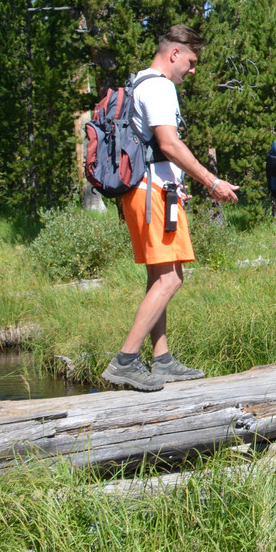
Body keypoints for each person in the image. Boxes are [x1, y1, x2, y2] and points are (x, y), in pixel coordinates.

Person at [102, 25, 239, 392]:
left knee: (160, 275)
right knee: (171, 279)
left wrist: (175, 186)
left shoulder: (140, 82)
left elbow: (154, 149)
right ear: (174, 53)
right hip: (151, 194)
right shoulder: (160, 86)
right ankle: (125, 361)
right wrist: (212, 182)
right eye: (191, 61)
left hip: (154, 191)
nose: (192, 70)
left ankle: (160, 359)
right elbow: (169, 143)